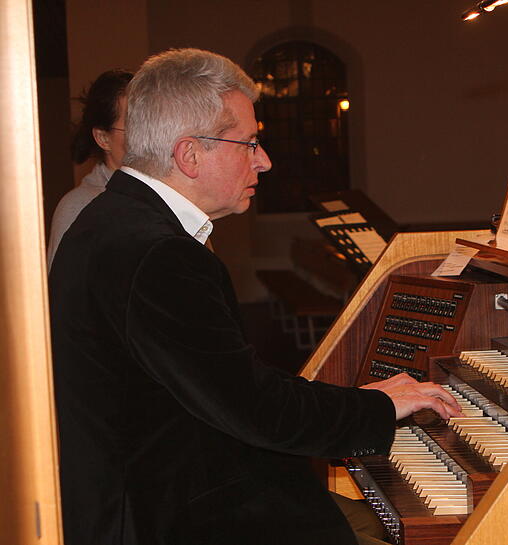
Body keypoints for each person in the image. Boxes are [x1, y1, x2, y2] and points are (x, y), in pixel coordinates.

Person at [48, 48, 461, 545]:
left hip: (163, 480)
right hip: (159, 513)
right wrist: (374, 406)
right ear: (189, 154)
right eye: (249, 143)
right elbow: (254, 408)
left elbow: (223, 385)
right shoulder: (158, 253)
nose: (264, 161)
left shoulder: (112, 218)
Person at [47, 69, 133, 270]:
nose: (147, 135)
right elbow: (63, 295)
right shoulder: (80, 207)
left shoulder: (168, 192)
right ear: (103, 138)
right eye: (134, 125)